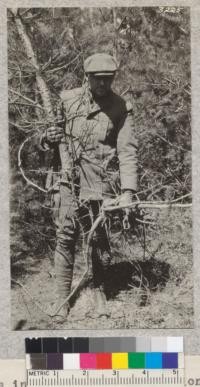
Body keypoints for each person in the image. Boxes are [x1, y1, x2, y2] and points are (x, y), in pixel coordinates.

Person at [39, 53, 138, 321]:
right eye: (98, 80)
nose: (103, 85)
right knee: (66, 236)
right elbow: (47, 138)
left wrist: (128, 191)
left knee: (99, 240)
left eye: (109, 79)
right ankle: (62, 299)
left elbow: (127, 151)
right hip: (67, 180)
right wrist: (47, 138)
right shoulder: (66, 100)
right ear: (87, 77)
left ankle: (99, 294)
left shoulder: (120, 107)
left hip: (100, 183)